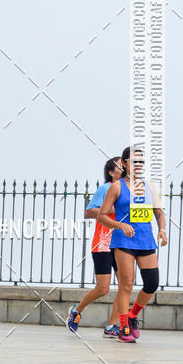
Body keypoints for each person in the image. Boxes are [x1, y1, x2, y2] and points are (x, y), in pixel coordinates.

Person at [97, 146, 167, 343]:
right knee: (126, 284)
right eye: (135, 161)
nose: (138, 165)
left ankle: (133, 315)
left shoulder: (150, 186)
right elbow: (102, 216)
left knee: (152, 283)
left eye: (141, 162)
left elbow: (159, 213)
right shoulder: (116, 187)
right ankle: (124, 328)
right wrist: (120, 225)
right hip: (123, 241)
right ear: (125, 163)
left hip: (146, 241)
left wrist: (162, 230)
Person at [66, 157, 122, 337]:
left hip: (122, 243)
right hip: (103, 243)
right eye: (120, 166)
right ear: (111, 172)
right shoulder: (105, 189)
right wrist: (111, 210)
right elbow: (89, 212)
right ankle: (77, 310)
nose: (124, 167)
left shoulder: (128, 190)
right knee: (102, 289)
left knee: (125, 286)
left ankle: (112, 325)